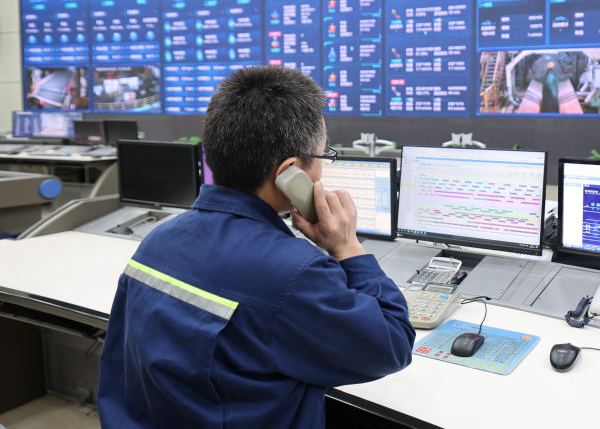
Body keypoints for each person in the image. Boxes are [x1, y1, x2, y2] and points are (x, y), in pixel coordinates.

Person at [98, 66, 415, 428]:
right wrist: (347, 247)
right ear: (291, 172)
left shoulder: (157, 241)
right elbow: (391, 346)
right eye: (323, 156)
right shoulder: (295, 273)